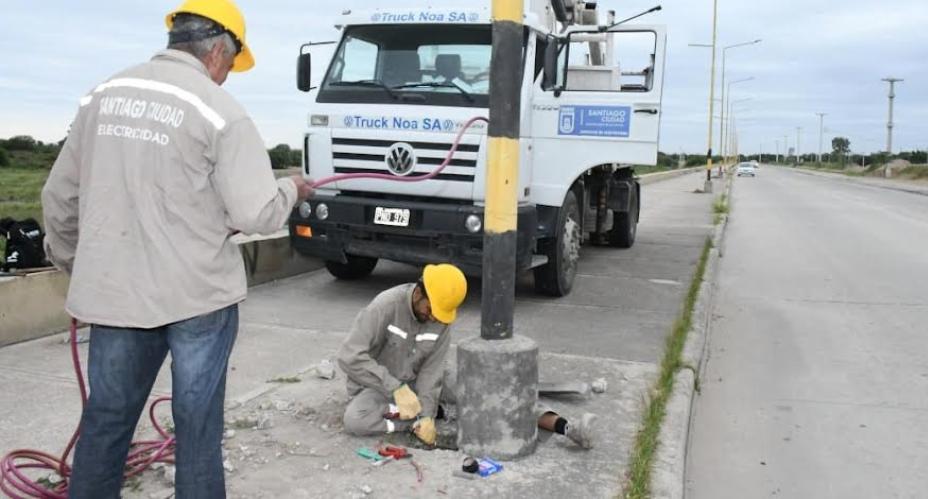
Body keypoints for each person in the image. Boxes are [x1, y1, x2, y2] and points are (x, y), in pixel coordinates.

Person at [41, 1, 312, 497]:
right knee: (197, 429)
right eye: (231, 65)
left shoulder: (102, 96)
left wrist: (80, 265)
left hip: (115, 295)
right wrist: (292, 188)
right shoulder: (221, 111)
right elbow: (255, 213)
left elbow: (58, 199)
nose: (227, 76)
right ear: (216, 51)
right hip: (197, 299)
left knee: (105, 421)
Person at [337, 264, 596, 449]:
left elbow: (431, 372)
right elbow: (349, 357)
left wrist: (425, 413)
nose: (435, 317)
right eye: (431, 309)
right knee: (355, 420)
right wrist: (395, 389)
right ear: (419, 292)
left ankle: (566, 427)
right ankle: (422, 419)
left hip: (418, 382)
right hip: (381, 385)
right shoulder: (385, 307)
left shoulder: (440, 318)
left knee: (484, 391)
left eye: (440, 314)